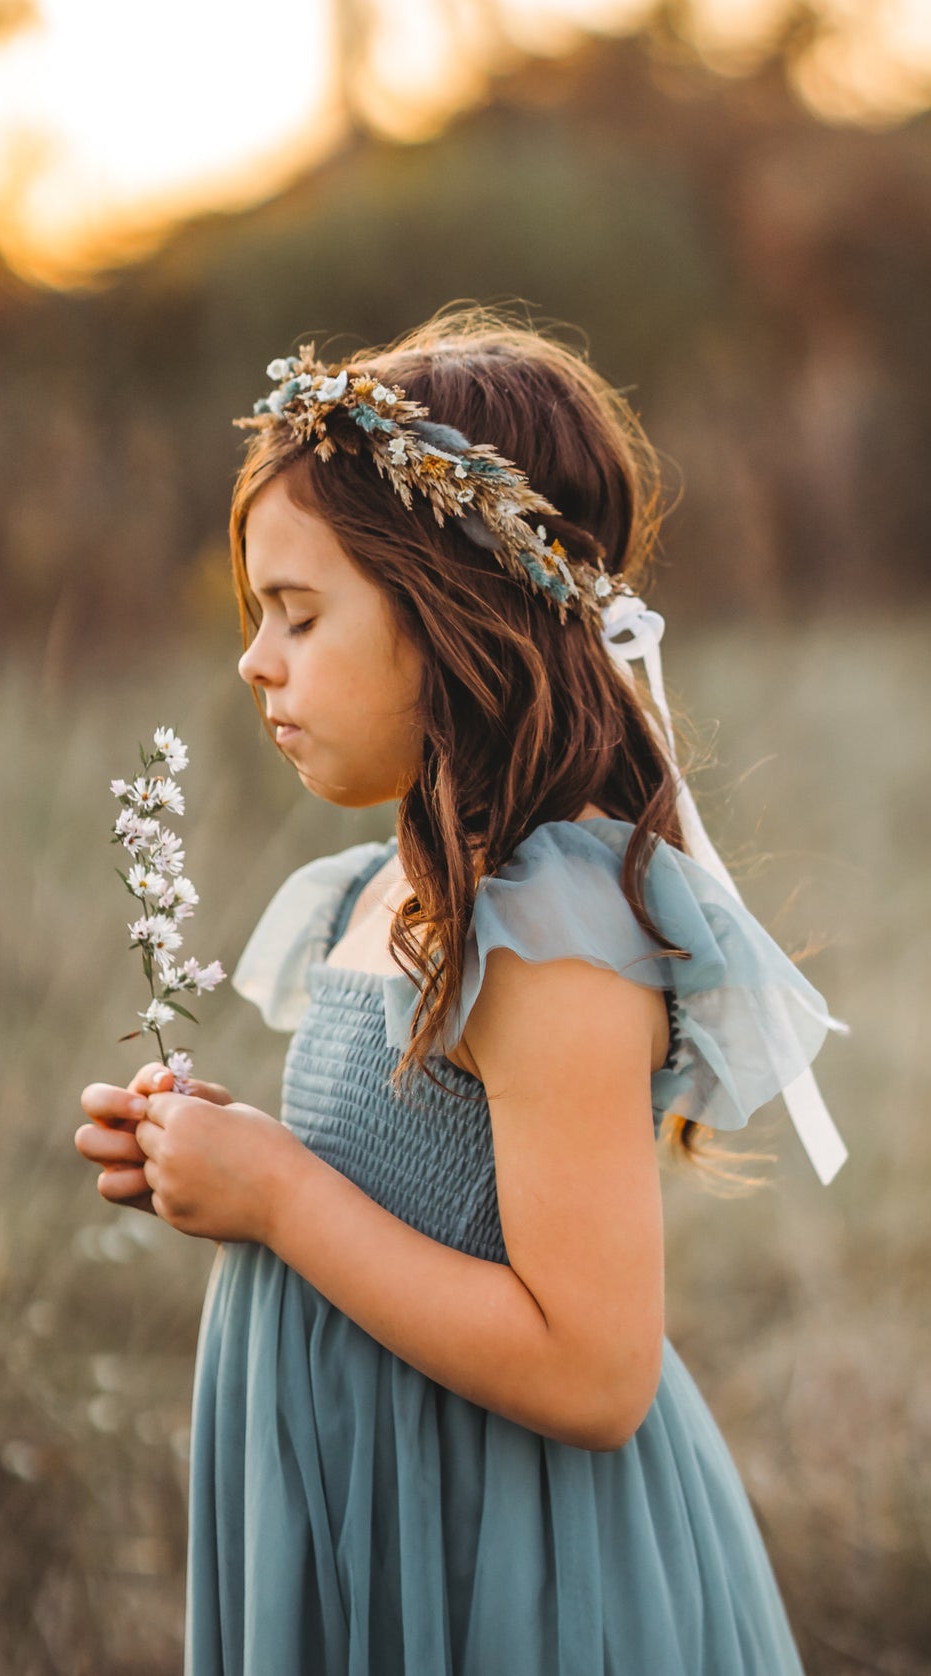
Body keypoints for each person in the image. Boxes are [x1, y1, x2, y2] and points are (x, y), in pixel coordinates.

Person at [75, 305, 848, 1675]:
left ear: (449, 619)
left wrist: (280, 1195)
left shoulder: (547, 932)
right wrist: (219, 1152)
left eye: (299, 616)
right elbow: (411, 1179)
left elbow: (598, 1375)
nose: (255, 659)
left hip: (508, 1567)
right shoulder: (387, 891)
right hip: (377, 1515)